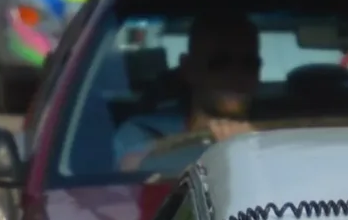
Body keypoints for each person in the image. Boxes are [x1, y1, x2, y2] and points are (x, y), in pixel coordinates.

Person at [108, 10, 265, 172]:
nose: (236, 75)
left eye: (249, 65)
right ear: (189, 68)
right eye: (219, 64)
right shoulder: (145, 130)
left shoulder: (281, 132)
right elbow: (132, 170)